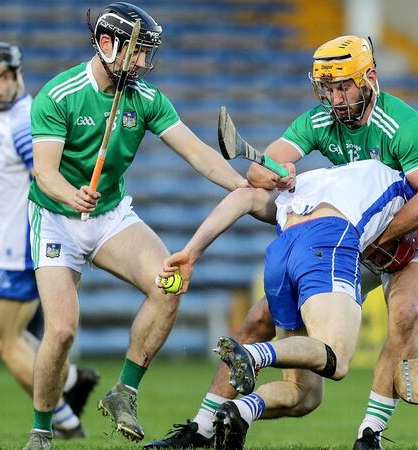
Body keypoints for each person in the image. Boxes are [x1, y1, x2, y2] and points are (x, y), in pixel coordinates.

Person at [147, 34, 418, 450]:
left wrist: (373, 235)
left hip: (408, 239)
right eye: (327, 88)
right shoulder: (319, 120)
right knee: (260, 325)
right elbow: (259, 172)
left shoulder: (402, 124)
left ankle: (370, 435)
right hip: (347, 236)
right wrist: (277, 172)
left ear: (371, 79)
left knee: (405, 313)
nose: (336, 98)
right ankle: (201, 428)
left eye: (344, 86)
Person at [156, 158, 418, 450]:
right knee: (332, 357)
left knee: (308, 391)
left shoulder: (346, 177)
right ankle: (236, 380)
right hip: (339, 246)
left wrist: (191, 251)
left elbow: (246, 195)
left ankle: (243, 412)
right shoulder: (395, 182)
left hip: (314, 250)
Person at [21, 3, 251, 449]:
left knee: (170, 281)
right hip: (55, 219)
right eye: (137, 52)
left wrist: (242, 186)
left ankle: (124, 390)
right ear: (106, 45)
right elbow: (44, 173)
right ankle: (41, 432)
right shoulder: (59, 95)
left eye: (148, 52)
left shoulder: (145, 98)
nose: (144, 63)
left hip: (108, 216)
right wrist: (71, 194)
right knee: (63, 330)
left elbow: (198, 153)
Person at [0, 41, 101, 440]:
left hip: (14, 247)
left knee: (3, 340)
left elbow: (45, 176)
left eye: (2, 77)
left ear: (18, 78)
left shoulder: (20, 122)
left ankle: (64, 423)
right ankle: (69, 383)